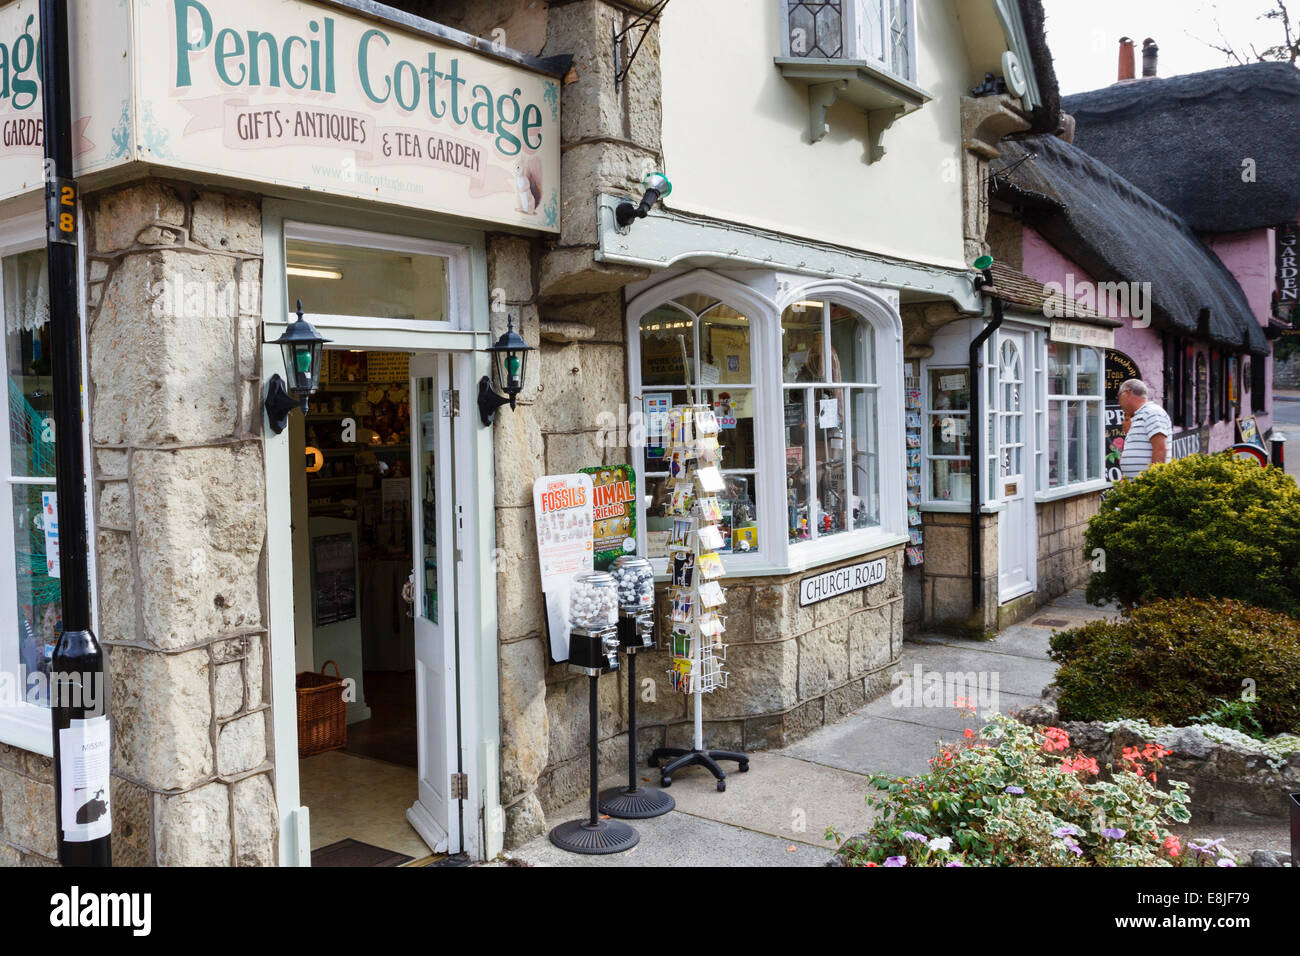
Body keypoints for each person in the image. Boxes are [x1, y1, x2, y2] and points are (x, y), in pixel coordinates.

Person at [1117, 379, 1171, 478]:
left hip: (1147, 486)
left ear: (1127, 392)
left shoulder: (1152, 412)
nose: (1119, 403)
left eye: (1119, 396)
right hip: (1136, 484)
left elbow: (1160, 448)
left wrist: (1154, 481)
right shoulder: (1138, 415)